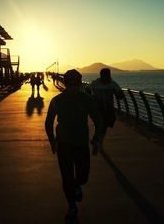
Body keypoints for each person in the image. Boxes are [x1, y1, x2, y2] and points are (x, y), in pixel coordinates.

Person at [45, 69, 102, 221]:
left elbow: (98, 121)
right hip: (64, 144)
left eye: (76, 84)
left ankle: (77, 186)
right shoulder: (57, 100)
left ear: (79, 83)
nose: (73, 87)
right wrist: (52, 140)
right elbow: (48, 122)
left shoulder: (87, 99)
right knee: (66, 178)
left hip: (81, 143)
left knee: (83, 177)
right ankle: (72, 206)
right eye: (70, 83)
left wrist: (96, 139)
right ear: (65, 83)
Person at [86, 68, 124, 147]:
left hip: (106, 109)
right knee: (101, 124)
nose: (107, 77)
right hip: (100, 109)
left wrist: (91, 97)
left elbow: (87, 90)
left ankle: (97, 139)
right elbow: (120, 95)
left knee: (102, 124)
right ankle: (99, 140)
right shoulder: (112, 84)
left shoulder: (96, 83)